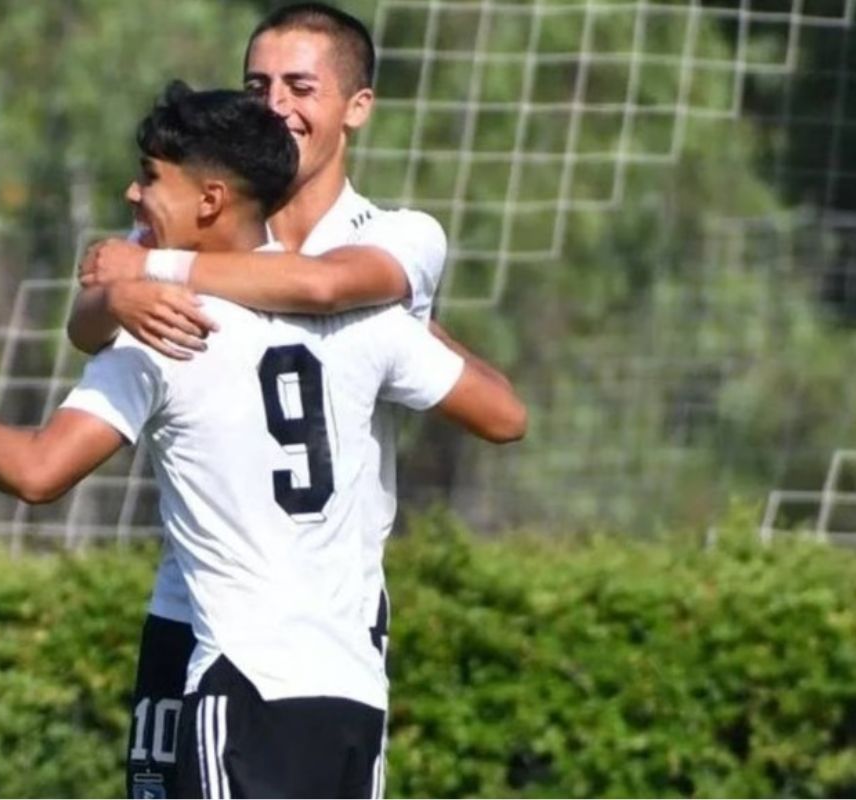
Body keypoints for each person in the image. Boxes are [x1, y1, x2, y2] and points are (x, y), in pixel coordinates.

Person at [0, 82, 525, 798]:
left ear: (209, 201)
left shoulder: (164, 332)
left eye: (150, 178)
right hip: (353, 697)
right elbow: (506, 417)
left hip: (246, 687)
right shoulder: (368, 322)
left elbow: (37, 473)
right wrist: (411, 315)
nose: (134, 196)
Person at [67, 4, 524, 795]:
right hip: (197, 605)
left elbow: (321, 286)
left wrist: (152, 273)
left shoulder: (395, 234)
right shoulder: (203, 213)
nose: (276, 104)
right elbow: (86, 323)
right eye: (258, 83)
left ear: (357, 107)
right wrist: (116, 295)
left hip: (332, 620)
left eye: (300, 86)